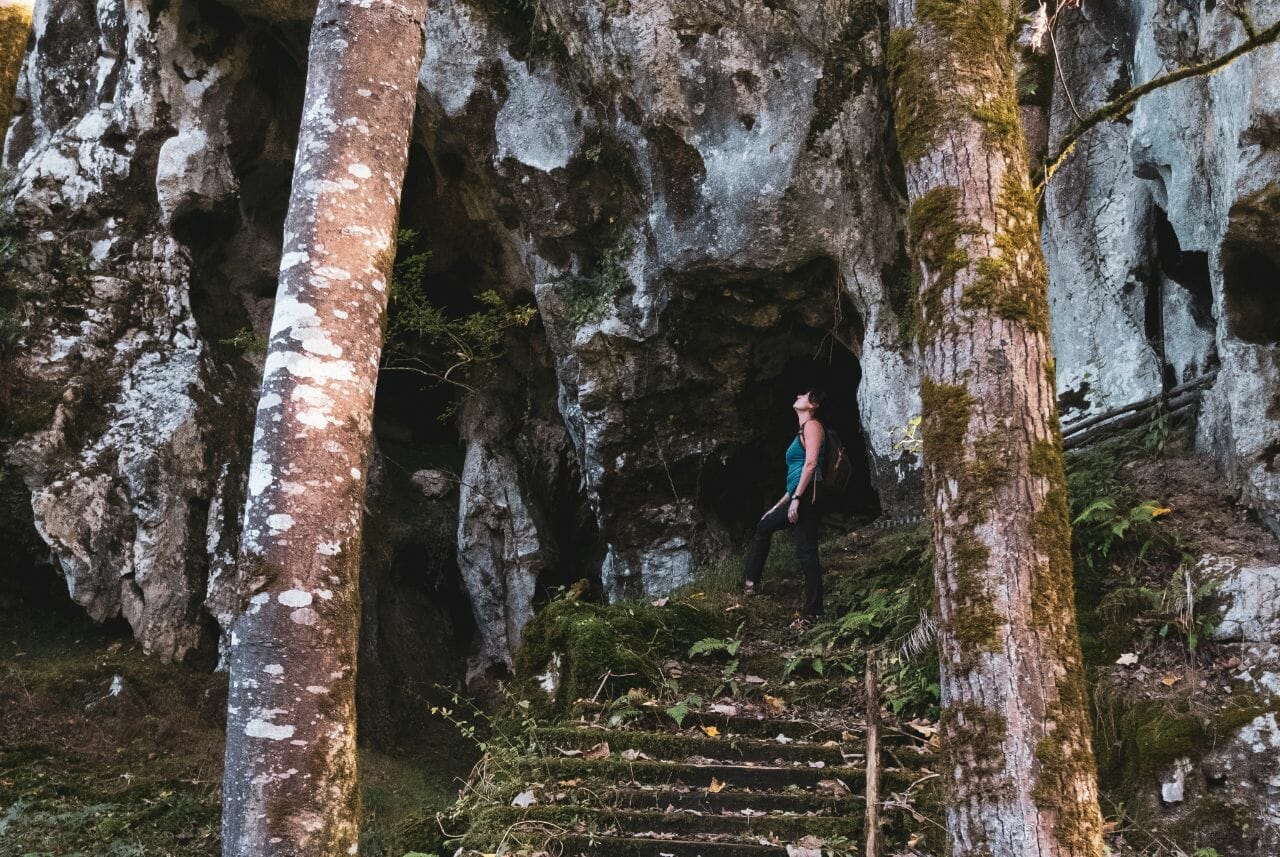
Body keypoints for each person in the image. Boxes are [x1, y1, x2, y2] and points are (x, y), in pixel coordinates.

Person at [742, 388, 827, 627]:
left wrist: (798, 499)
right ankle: (751, 582)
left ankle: (813, 610)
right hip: (801, 494)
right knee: (767, 527)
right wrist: (780, 505)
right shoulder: (802, 429)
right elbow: (795, 476)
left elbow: (810, 464)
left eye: (804, 395)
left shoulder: (812, 426)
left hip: (809, 494)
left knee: (805, 550)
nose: (798, 395)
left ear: (812, 404)